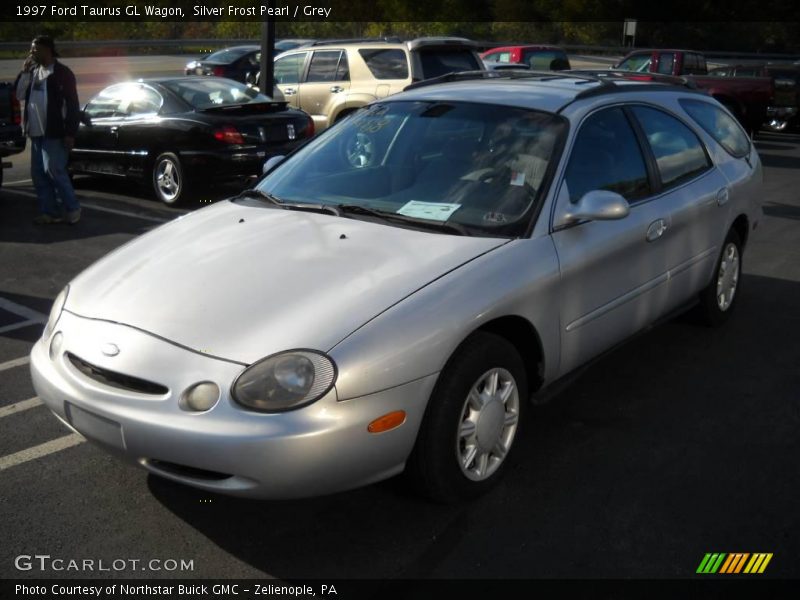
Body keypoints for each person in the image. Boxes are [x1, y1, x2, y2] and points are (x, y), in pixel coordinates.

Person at [15, 35, 81, 224]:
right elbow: (19, 95)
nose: (31, 53)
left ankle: (73, 207)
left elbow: (73, 105)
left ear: (47, 50)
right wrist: (25, 73)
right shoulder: (32, 71)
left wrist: (70, 133)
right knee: (38, 174)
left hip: (55, 132)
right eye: (31, 49)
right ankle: (50, 212)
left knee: (54, 171)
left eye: (35, 49)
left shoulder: (62, 73)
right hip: (36, 132)